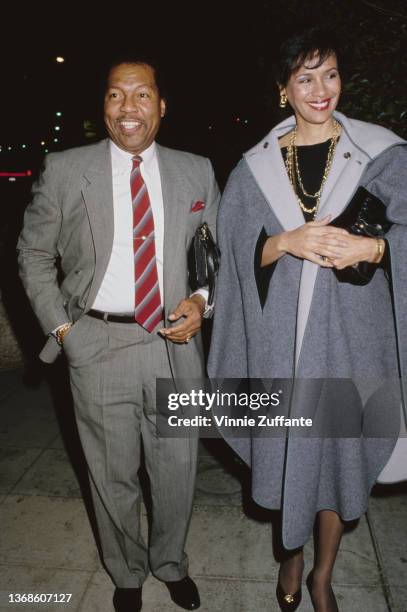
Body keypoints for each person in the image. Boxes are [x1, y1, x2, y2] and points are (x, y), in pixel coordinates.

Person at [208, 28, 407, 612]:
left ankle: (322, 572)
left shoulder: (382, 154)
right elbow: (233, 252)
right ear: (283, 89)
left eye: (330, 74)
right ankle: (289, 557)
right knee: (292, 454)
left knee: (340, 460)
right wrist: (283, 241)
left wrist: (375, 251)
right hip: (280, 347)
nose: (321, 90)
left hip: (355, 342)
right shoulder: (253, 169)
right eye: (305, 78)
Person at [18, 57, 220, 612]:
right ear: (103, 105)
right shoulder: (65, 168)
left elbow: (211, 255)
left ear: (161, 104)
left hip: (175, 345)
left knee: (177, 472)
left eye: (142, 95)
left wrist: (202, 303)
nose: (128, 107)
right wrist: (64, 330)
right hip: (97, 344)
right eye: (115, 95)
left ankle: (171, 563)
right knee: (111, 475)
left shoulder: (196, 169)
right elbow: (33, 253)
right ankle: (127, 573)